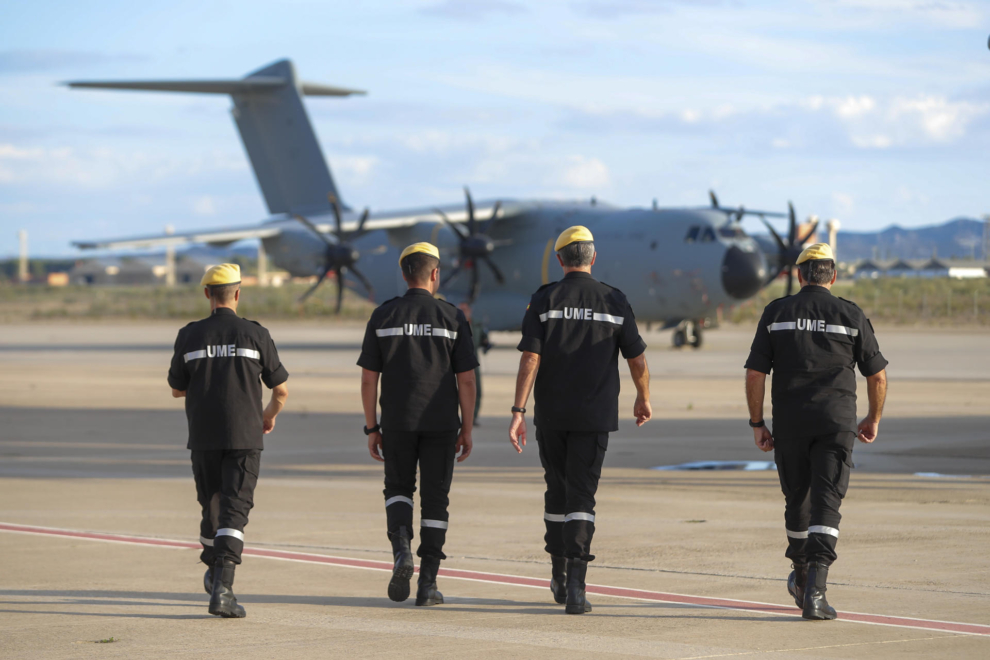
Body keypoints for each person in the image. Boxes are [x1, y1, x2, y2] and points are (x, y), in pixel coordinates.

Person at [508, 226, 652, 615]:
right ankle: (575, 586)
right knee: (582, 499)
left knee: (557, 492)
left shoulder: (545, 298)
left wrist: (518, 411)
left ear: (559, 261)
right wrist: (643, 397)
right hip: (594, 417)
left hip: (552, 416)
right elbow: (636, 358)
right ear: (592, 258)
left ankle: (557, 573)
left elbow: (530, 358)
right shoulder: (613, 299)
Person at [744, 243, 888, 621]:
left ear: (799, 275)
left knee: (797, 501)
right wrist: (872, 418)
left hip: (791, 424)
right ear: (833, 276)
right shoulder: (850, 314)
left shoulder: (776, 313)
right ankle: (816, 594)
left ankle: (803, 578)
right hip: (836, 424)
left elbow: (755, 373)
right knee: (827, 504)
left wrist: (757, 423)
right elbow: (877, 374)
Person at [358, 242, 478, 606]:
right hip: (441, 424)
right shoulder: (453, 318)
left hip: (396, 421)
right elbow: (467, 380)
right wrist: (467, 428)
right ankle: (427, 583)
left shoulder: (383, 316)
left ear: (405, 274)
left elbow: (368, 380)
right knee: (435, 500)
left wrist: (371, 427)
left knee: (398, 489)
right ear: (435, 274)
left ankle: (401, 552)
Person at [167, 263, 289, 618]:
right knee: (235, 511)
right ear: (238, 293)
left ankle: (213, 566)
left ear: (207, 294)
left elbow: (177, 388)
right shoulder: (256, 335)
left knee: (212, 506)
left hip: (203, 436)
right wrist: (269, 415)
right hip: (244, 436)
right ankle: (223, 588)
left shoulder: (189, 335)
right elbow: (280, 389)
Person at [457, 302, 493, 425]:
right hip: (457, 360)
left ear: (470, 311)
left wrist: (487, 344)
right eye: (461, 309)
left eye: (465, 309)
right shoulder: (454, 324)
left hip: (473, 361)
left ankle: (472, 417)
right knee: (456, 390)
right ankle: (455, 416)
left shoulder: (477, 324)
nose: (463, 312)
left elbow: (484, 339)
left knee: (476, 389)